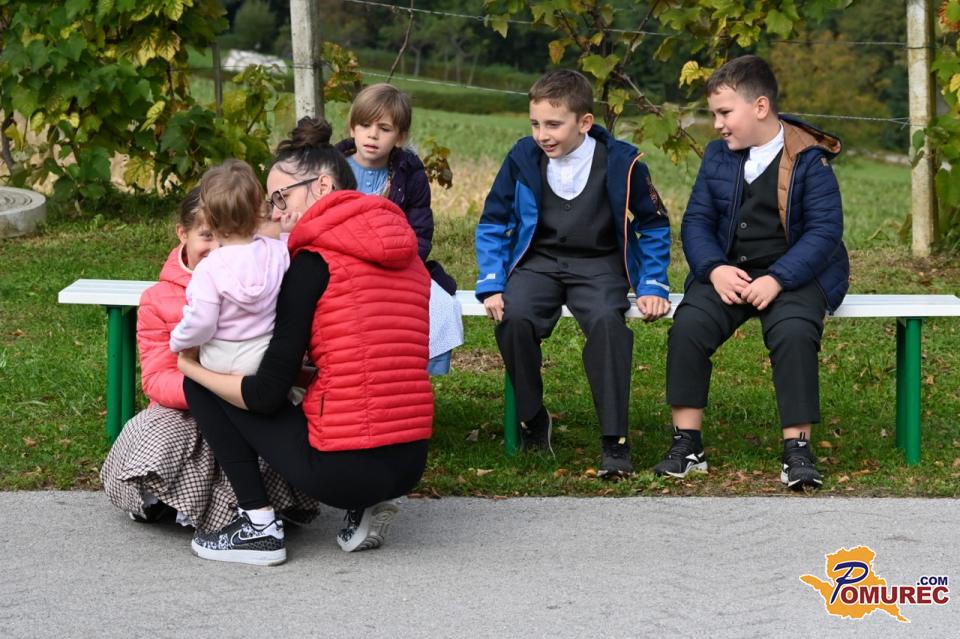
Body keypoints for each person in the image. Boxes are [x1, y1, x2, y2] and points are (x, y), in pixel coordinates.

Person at [179, 117, 433, 566]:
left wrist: (191, 366)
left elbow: (264, 395)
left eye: (281, 198)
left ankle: (258, 527)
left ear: (322, 186)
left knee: (204, 384)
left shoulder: (313, 263)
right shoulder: (409, 257)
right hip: (410, 461)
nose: (276, 213)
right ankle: (365, 505)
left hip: (342, 469)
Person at [654, 55, 849, 490]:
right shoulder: (717, 157)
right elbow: (697, 222)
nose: (718, 125)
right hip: (730, 271)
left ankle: (797, 449)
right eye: (714, 114)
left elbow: (824, 231)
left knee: (794, 332)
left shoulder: (809, 158)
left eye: (725, 113)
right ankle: (687, 443)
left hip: (794, 274)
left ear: (760, 107)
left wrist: (778, 278)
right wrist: (714, 269)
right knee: (689, 326)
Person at [474, 69, 672, 478]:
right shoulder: (521, 157)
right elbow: (493, 221)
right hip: (538, 262)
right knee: (514, 317)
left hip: (600, 265)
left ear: (584, 122)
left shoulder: (623, 162)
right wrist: (492, 281)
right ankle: (533, 417)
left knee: (607, 324)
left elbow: (653, 225)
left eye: (553, 124)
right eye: (535, 124)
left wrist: (652, 282)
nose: (542, 135)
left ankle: (614, 441)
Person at [99, 188, 319, 531]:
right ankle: (161, 499)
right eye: (206, 236)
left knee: (262, 436)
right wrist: (212, 388)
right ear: (182, 233)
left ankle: (248, 511)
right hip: (186, 408)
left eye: (224, 235)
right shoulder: (157, 299)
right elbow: (156, 377)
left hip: (247, 400)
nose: (218, 247)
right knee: (156, 432)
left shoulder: (260, 280)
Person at [336, 83, 463, 375]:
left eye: (384, 128)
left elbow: (420, 233)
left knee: (440, 306)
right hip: (339, 266)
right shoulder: (333, 170)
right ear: (352, 127)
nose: (373, 135)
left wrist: (395, 265)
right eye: (365, 125)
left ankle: (413, 371)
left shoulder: (410, 175)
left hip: (396, 266)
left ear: (400, 136)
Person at [169, 159, 290, 379]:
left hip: (217, 359)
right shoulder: (278, 251)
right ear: (259, 213)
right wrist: (290, 228)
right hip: (263, 355)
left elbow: (203, 322)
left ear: (210, 219)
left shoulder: (208, 268)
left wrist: (177, 341)